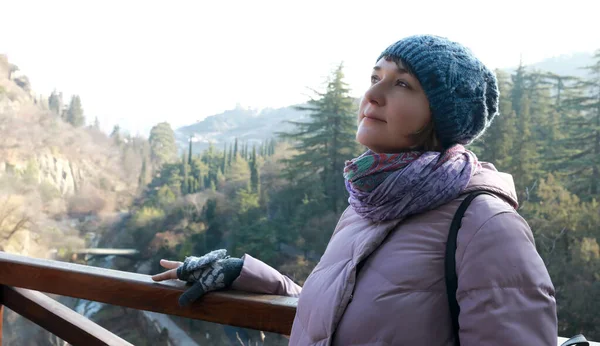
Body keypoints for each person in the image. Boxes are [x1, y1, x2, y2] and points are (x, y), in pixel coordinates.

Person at [152, 35, 558, 345]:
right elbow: (344, 313)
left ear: (442, 116)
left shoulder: (486, 225)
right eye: (375, 78)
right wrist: (253, 278)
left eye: (401, 84)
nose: (372, 95)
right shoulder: (367, 207)